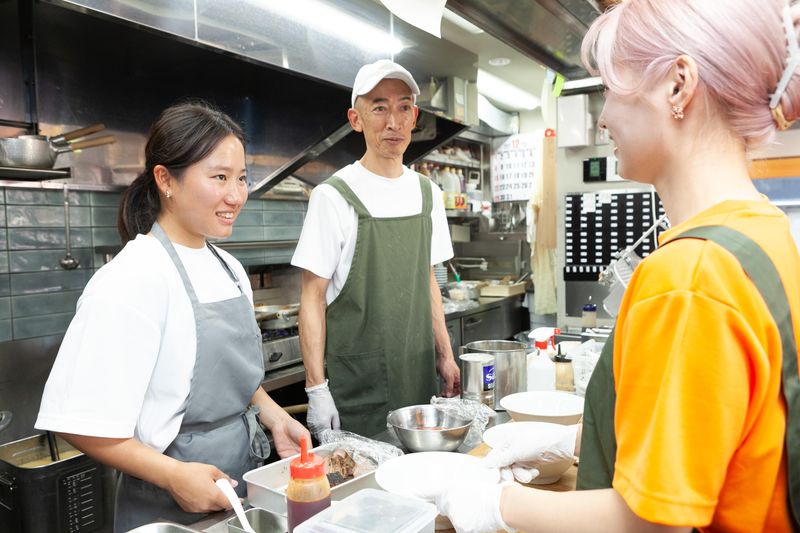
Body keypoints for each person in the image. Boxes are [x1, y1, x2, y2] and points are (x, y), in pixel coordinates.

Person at [436, 1, 800, 532]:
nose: (602, 116)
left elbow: (647, 523)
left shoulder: (689, 278)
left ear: (678, 85)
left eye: (608, 87)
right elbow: (716, 437)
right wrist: (574, 439)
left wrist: (493, 504)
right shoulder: (763, 234)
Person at [35, 102, 311, 531]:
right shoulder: (132, 277)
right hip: (167, 506)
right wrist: (173, 475)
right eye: (219, 177)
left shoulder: (229, 267)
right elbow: (78, 422)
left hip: (242, 485)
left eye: (241, 178)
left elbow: (226, 377)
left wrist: (271, 413)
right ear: (165, 179)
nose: (236, 195)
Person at [291, 59, 461, 438]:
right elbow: (311, 298)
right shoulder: (332, 196)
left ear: (415, 116)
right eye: (379, 107)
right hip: (359, 385)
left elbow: (427, 280)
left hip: (418, 378)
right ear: (356, 118)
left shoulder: (427, 194)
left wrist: (445, 355)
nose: (393, 122)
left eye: (403, 107)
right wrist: (316, 389)